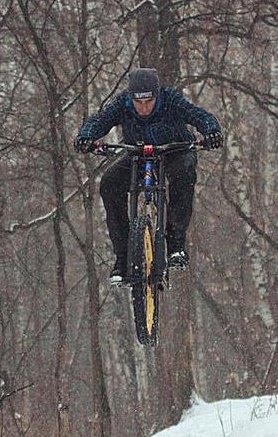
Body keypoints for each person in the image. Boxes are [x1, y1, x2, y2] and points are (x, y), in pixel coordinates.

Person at [74, 68, 222, 283]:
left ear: (157, 96)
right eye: (138, 103)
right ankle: (123, 258)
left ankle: (175, 245)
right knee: (109, 184)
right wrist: (86, 136)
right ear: (131, 98)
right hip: (138, 154)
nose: (143, 108)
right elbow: (99, 121)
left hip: (174, 151)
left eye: (149, 102)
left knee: (184, 172)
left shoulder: (171, 100)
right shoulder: (122, 104)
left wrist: (211, 130)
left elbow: (198, 115)